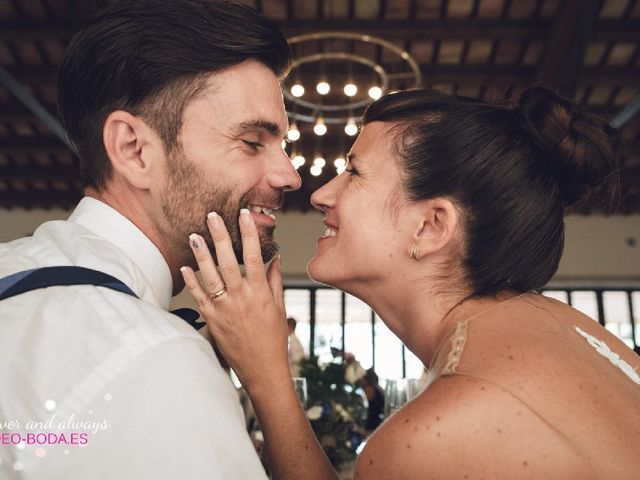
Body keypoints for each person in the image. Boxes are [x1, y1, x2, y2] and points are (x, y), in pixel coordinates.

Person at [181, 86, 640, 479]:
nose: (319, 194)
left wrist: (267, 378)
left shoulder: (434, 435)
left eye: (354, 173)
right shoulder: (565, 327)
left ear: (431, 227)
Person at [0, 0, 300, 478]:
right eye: (251, 142)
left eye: (283, 144)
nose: (289, 175)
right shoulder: (154, 357)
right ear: (134, 150)